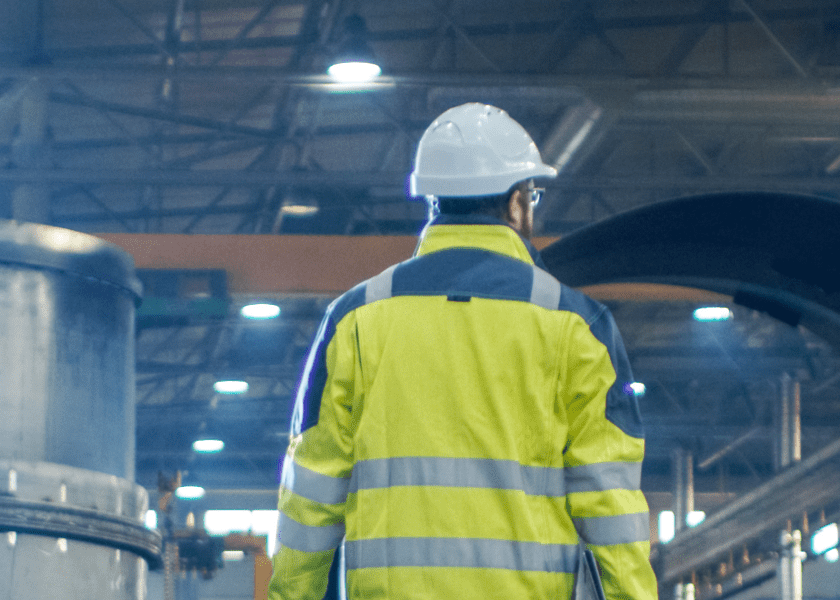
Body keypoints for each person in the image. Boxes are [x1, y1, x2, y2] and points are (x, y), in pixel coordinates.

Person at [267, 103, 656, 600]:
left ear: (434, 200)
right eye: (531, 198)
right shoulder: (576, 325)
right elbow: (610, 505)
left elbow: (310, 496)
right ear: (517, 204)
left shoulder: (357, 319)